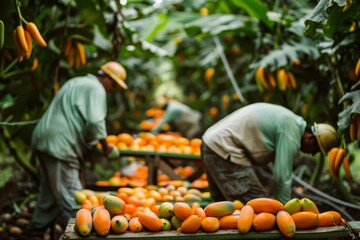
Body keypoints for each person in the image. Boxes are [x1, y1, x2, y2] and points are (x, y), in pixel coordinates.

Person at [26, 61, 127, 237]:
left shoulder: (76, 82)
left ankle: (35, 230)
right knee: (74, 197)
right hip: (61, 144)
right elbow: (95, 121)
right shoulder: (96, 88)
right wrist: (106, 147)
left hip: (44, 138)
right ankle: (85, 234)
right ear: (107, 79)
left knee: (49, 191)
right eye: (114, 85)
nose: (113, 89)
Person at [201, 102, 338, 204]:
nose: (312, 155)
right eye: (315, 151)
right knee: (259, 207)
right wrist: (284, 211)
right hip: (224, 150)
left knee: (221, 208)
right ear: (310, 139)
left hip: (211, 144)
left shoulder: (289, 120)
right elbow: (282, 176)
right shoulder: (291, 132)